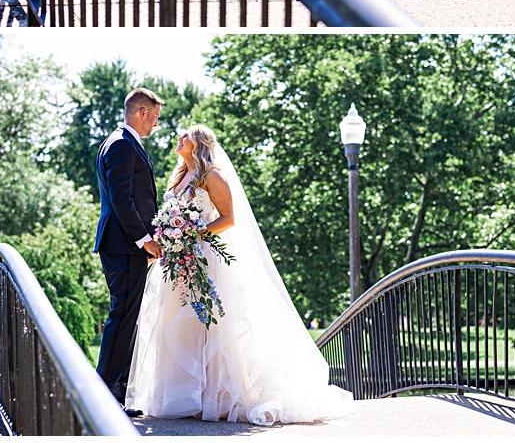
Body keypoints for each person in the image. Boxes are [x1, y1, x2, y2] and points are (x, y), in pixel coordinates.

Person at [127, 125, 356, 424]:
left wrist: (192, 232)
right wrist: (170, 237)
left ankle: (217, 397)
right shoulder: (179, 177)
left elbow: (228, 219)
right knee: (179, 328)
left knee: (210, 327)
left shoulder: (213, 176)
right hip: (177, 260)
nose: (179, 137)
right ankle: (183, 397)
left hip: (204, 258)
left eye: (185, 135)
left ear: (198, 144)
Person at [94, 87, 164, 415]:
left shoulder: (124, 143)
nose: (156, 125)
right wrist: (143, 239)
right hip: (123, 246)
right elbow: (123, 199)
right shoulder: (122, 144)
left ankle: (117, 395)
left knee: (128, 318)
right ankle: (102, 395)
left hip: (126, 246)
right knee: (122, 317)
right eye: (155, 118)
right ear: (142, 113)